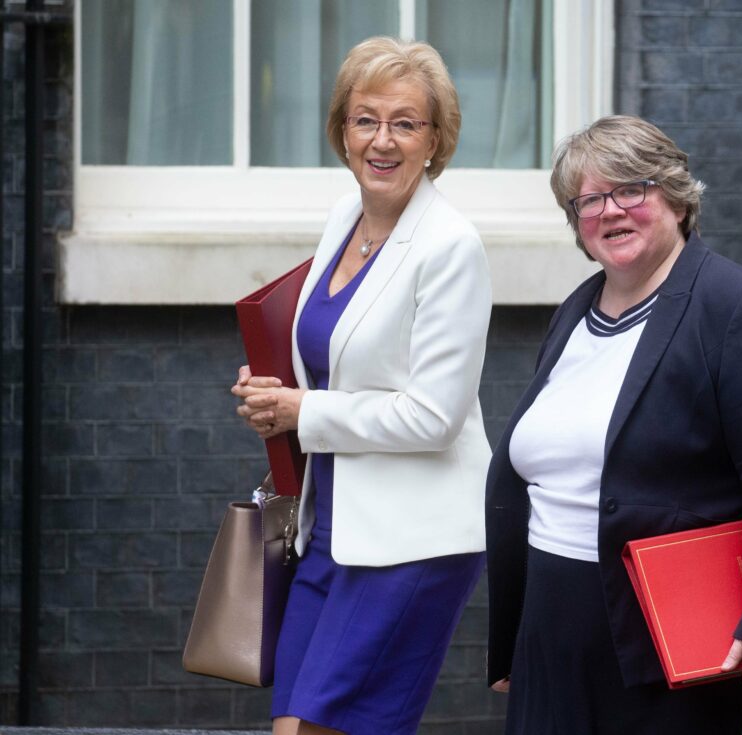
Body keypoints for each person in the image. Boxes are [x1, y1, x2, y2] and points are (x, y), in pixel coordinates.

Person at [485, 115, 742, 734]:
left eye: (631, 189)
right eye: (588, 200)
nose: (610, 210)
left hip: (669, 644)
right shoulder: (577, 311)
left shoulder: (736, 306)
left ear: (678, 199)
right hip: (555, 629)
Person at [232, 37, 492, 735]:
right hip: (331, 526)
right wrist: (275, 394)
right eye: (365, 120)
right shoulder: (343, 220)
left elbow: (434, 416)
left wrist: (303, 410)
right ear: (341, 132)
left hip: (410, 539)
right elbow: (335, 362)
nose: (383, 140)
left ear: (435, 140)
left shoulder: (451, 246)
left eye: (405, 123)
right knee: (292, 725)